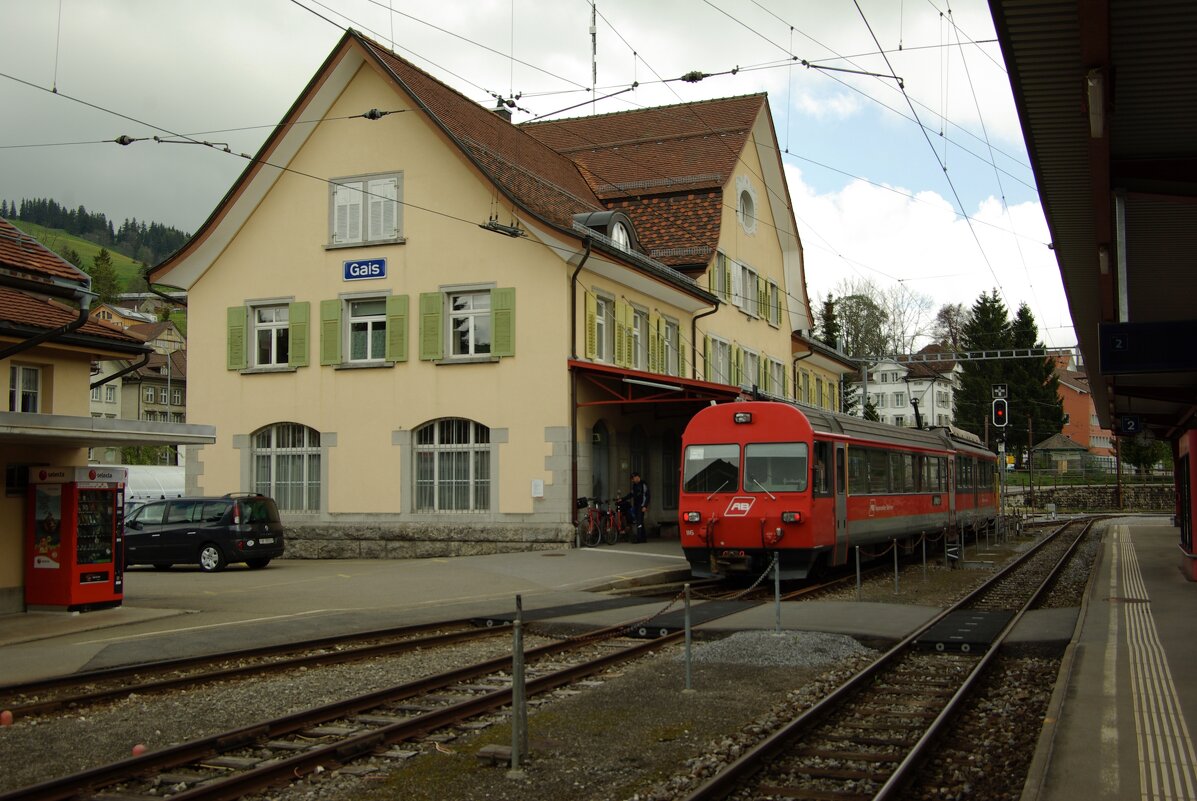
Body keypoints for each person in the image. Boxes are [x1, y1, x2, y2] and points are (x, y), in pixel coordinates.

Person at [623, 471, 650, 543]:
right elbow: (631, 494)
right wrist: (623, 499)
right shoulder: (635, 485)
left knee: (639, 521)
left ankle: (639, 538)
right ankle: (643, 538)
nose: (632, 480)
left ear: (637, 477)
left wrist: (645, 506)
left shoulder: (643, 484)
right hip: (636, 505)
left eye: (633, 478)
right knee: (640, 521)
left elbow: (647, 495)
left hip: (641, 505)